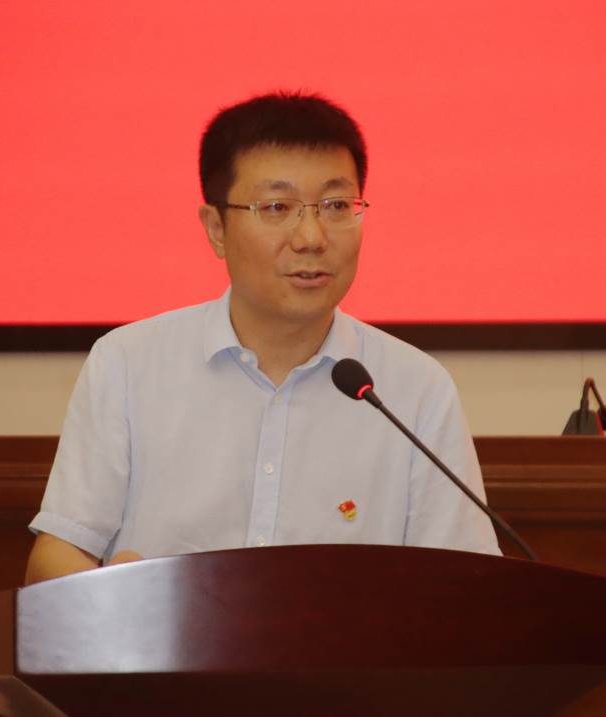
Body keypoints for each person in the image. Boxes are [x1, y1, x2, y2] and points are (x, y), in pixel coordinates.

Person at [24, 92, 499, 585]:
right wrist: (112, 597)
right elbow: (56, 555)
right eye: (277, 207)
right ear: (216, 228)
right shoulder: (128, 365)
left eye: (337, 205)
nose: (311, 237)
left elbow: (468, 584)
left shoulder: (416, 390)